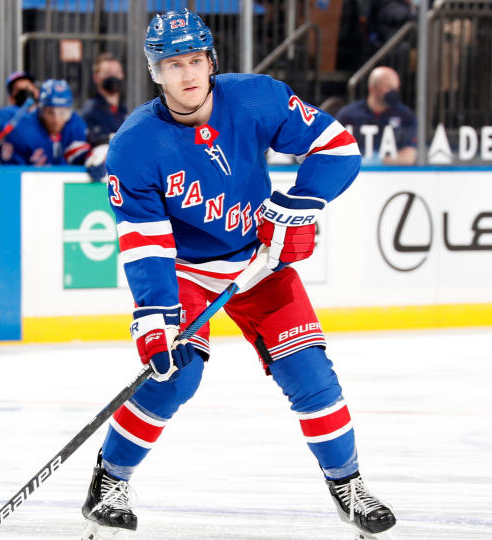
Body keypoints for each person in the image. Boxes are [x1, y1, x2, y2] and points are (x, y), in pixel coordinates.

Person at [80, 9, 396, 540]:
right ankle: (109, 481)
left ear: (212, 60)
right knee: (174, 376)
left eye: (196, 60)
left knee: (311, 376)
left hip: (258, 263)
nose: (188, 74)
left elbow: (338, 147)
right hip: (186, 270)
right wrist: (153, 318)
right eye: (173, 63)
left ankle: (350, 485)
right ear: (155, 72)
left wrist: (295, 206)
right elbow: (145, 242)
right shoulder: (134, 145)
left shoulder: (255, 97)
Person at [336, 65, 418, 165]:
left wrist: (381, 162)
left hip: (393, 175)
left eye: (396, 88)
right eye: (389, 87)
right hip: (358, 173)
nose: (394, 92)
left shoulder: (406, 116)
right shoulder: (348, 115)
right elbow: (335, 151)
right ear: (373, 88)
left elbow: (410, 156)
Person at [0, 78, 90, 166]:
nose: (56, 119)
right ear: (40, 110)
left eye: (63, 112)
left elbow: (83, 158)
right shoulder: (20, 131)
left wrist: (94, 157)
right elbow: (11, 175)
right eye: (50, 112)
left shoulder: (76, 125)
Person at [80, 53, 128, 181]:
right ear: (96, 77)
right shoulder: (90, 111)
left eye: (117, 72)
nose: (113, 77)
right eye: (107, 73)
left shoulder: (126, 112)